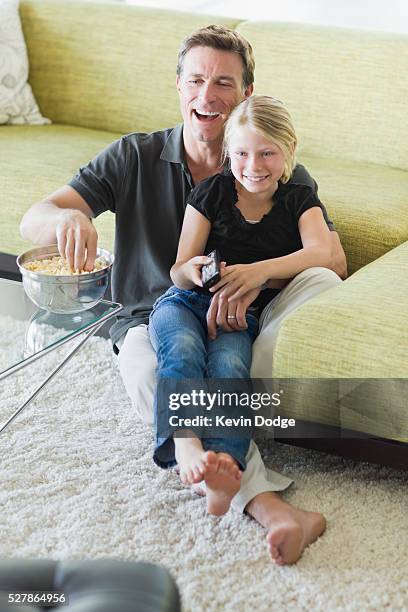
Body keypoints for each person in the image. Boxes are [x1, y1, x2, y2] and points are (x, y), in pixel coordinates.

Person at [20, 25, 346, 565]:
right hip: (155, 318)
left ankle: (219, 435)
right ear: (178, 86)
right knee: (154, 370)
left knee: (318, 284)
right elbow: (37, 216)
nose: (207, 94)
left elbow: (330, 259)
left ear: (246, 94)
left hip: (249, 319)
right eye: (195, 79)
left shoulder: (267, 160)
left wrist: (257, 276)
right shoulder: (134, 156)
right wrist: (64, 220)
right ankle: (268, 506)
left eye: (223, 82)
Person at [149, 95, 334, 532]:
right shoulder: (212, 192)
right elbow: (178, 269)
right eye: (242, 153)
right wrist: (192, 271)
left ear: (289, 151)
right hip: (186, 303)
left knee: (232, 366)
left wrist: (255, 274)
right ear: (228, 153)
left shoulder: (298, 198)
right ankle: (187, 445)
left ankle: (224, 472)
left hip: (239, 316)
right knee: (182, 349)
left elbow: (322, 252)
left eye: (267, 153)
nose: (254, 165)